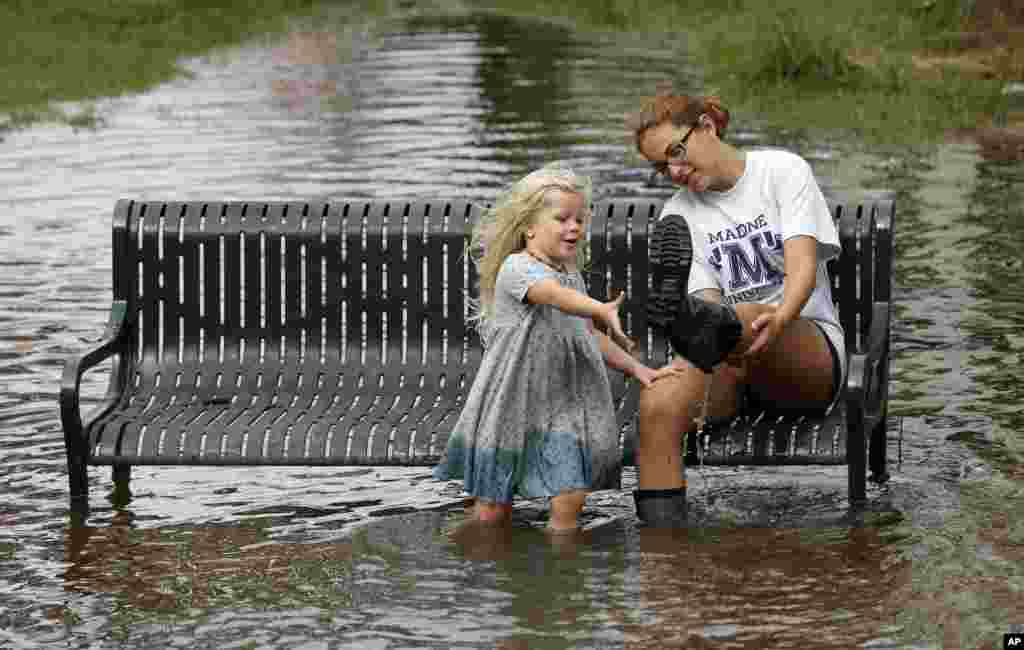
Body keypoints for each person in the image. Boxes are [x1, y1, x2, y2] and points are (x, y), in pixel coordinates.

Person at [625, 92, 846, 526]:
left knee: (740, 317)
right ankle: (665, 564)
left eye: (676, 151)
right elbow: (710, 307)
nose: (674, 171)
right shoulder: (678, 216)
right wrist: (701, 332)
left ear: (707, 126)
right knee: (658, 405)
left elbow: (800, 275)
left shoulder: (782, 172)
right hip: (728, 360)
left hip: (804, 352)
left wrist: (778, 319)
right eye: (661, 167)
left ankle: (685, 323)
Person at [432, 162, 679, 533]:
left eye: (580, 219)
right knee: (492, 511)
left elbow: (586, 335)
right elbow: (550, 295)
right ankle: (475, 566)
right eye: (562, 218)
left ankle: (562, 571)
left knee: (570, 496)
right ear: (529, 227)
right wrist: (599, 307)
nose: (574, 227)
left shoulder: (570, 275)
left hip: (561, 403)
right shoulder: (518, 269)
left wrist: (637, 368)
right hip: (511, 405)